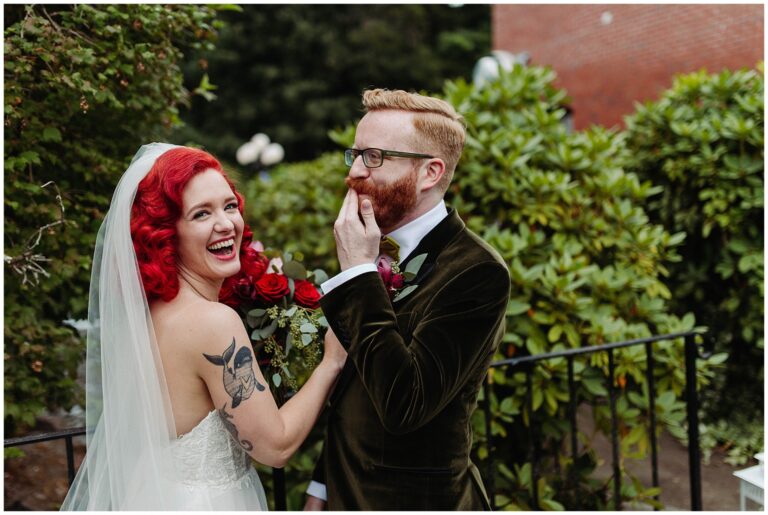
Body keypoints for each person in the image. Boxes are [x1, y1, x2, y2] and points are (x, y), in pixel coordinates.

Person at [61, 143, 346, 510]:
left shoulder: (151, 311)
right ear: (166, 233)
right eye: (201, 214)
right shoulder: (212, 322)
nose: (226, 224)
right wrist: (331, 362)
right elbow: (274, 447)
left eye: (230, 206)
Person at [304, 89, 511, 510]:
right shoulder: (368, 247)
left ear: (430, 173)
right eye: (355, 154)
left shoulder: (477, 272)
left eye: (375, 156)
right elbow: (352, 389)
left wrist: (359, 273)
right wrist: (320, 490)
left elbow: (404, 403)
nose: (356, 171)